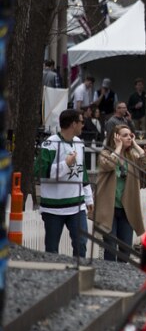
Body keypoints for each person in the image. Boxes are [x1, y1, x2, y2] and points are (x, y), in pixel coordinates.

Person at [34, 109, 93, 257]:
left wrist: (88, 197)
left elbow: (82, 172)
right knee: (52, 250)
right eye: (81, 122)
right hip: (54, 208)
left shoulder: (79, 143)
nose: (83, 125)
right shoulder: (50, 144)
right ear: (73, 124)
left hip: (77, 206)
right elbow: (40, 172)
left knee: (81, 245)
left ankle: (78, 276)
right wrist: (65, 164)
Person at [95, 124, 146, 262]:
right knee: (110, 245)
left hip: (127, 209)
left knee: (125, 247)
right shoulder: (106, 154)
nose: (129, 137)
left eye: (130, 135)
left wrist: (135, 144)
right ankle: (109, 276)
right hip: (110, 208)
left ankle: (121, 277)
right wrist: (118, 147)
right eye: (125, 135)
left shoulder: (131, 156)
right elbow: (109, 164)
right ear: (116, 137)